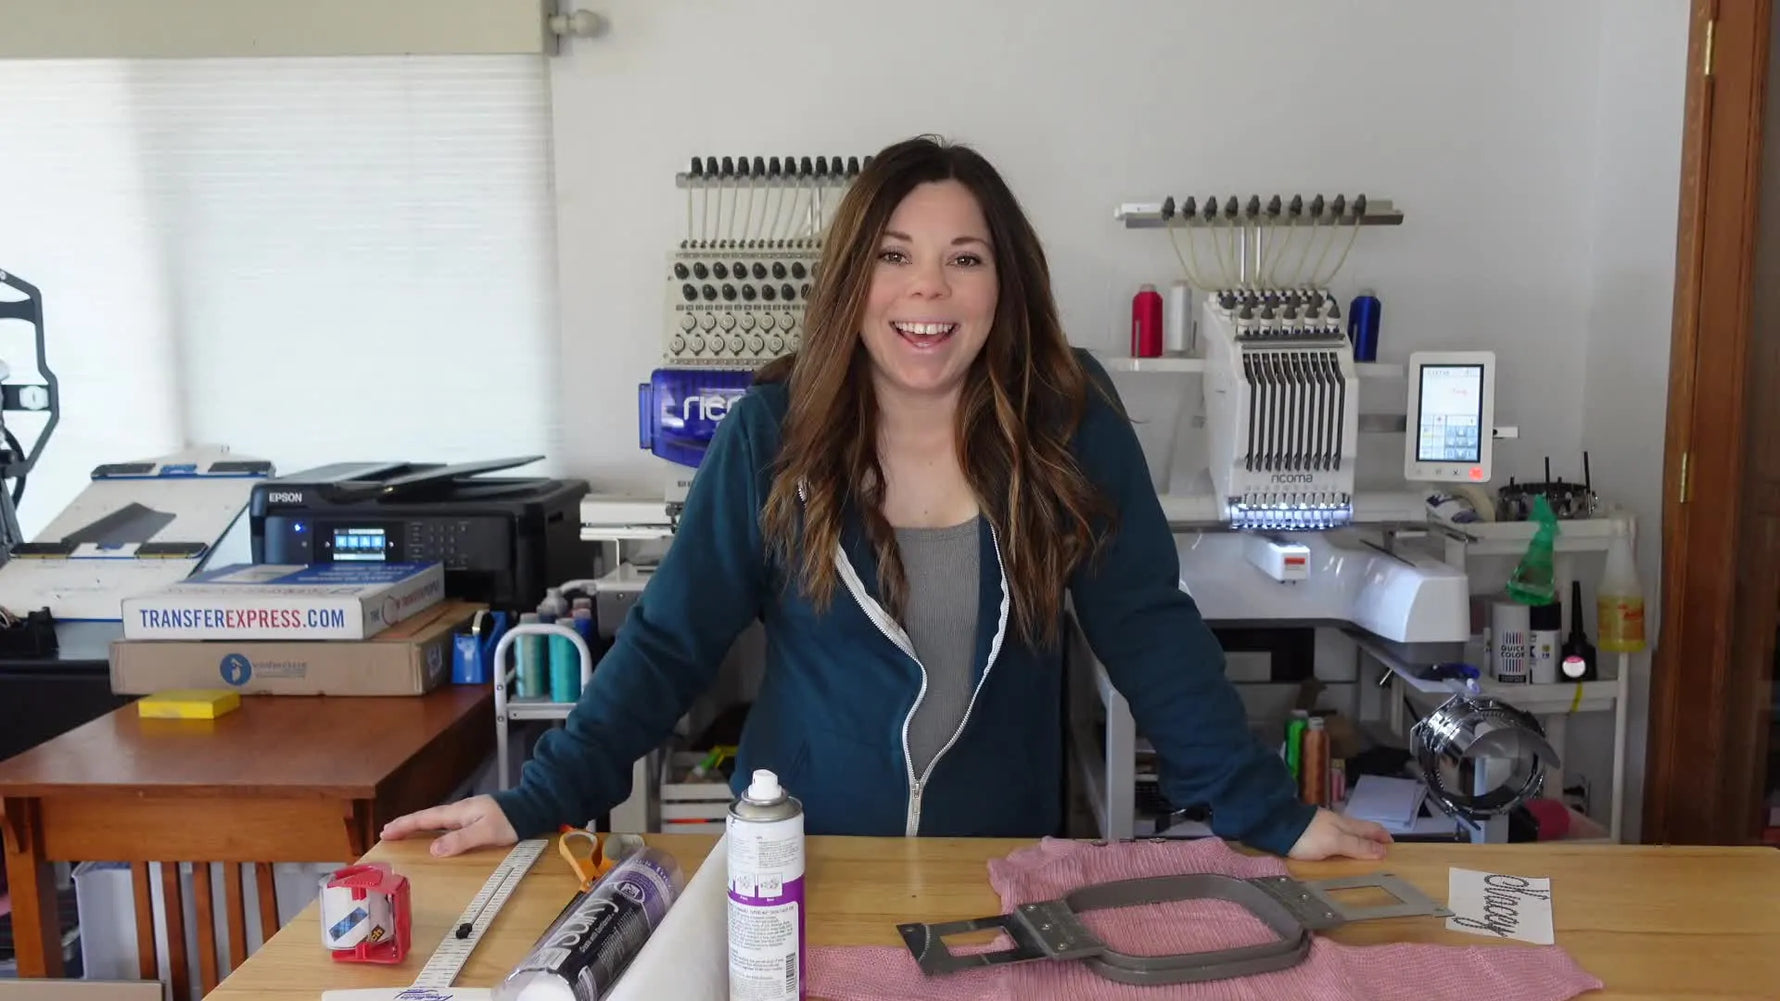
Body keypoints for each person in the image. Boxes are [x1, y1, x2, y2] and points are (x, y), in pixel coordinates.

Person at [382, 135, 1392, 862]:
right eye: (894, 257)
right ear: (851, 278)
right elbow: (667, 643)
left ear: (1005, 285)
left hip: (996, 870)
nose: (927, 292)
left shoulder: (1065, 422)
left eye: (964, 259)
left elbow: (1150, 632)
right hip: (798, 870)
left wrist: (1268, 810)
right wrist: (535, 800)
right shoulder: (772, 436)